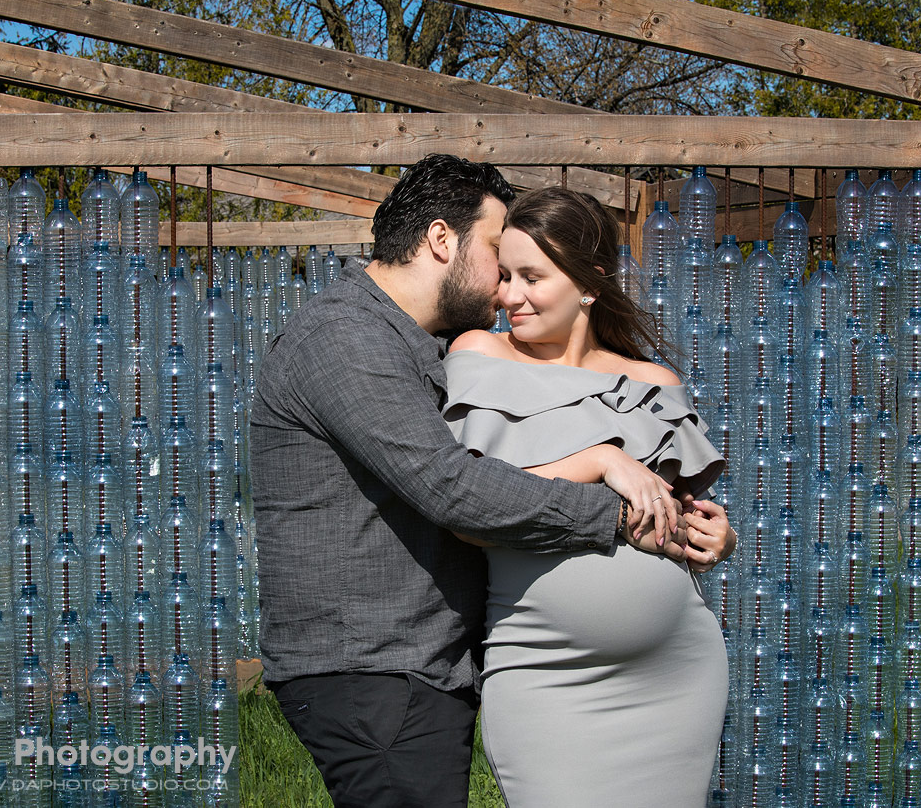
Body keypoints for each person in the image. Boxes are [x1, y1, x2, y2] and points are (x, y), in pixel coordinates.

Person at [248, 155, 715, 808]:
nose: (503, 282)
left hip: (413, 670)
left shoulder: (418, 344)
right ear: (443, 239)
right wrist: (617, 508)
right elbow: (454, 489)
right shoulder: (344, 338)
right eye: (499, 252)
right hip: (372, 670)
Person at [442, 186, 735, 807]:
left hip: (674, 669)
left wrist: (716, 535)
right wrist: (602, 460)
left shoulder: (652, 383)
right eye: (504, 276)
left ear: (590, 284)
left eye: (531, 277)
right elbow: (472, 511)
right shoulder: (481, 354)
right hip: (546, 669)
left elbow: (674, 509)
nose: (508, 296)